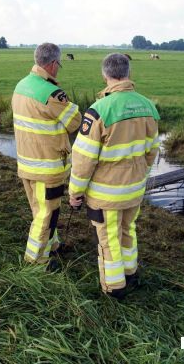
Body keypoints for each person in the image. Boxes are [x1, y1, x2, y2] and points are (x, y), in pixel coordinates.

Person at [68, 53, 160, 298]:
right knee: (128, 229)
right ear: (129, 73)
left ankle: (114, 287)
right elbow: (152, 151)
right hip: (135, 189)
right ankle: (130, 272)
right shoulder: (148, 106)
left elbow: (83, 160)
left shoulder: (99, 111)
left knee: (108, 239)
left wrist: (75, 193)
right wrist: (140, 174)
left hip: (106, 194)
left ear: (104, 75)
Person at [11, 43, 82, 269]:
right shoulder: (51, 93)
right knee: (46, 213)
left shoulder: (21, 85)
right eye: (59, 65)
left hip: (27, 162)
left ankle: (52, 244)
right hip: (47, 167)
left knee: (40, 209)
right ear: (52, 64)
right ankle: (36, 260)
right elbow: (75, 121)